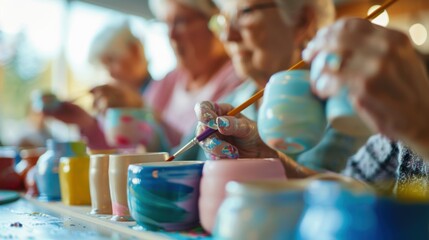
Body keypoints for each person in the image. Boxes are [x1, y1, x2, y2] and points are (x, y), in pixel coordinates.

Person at [193, 0, 368, 171]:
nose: (227, 36)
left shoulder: (348, 105)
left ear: (302, 21)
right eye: (223, 20)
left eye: (245, 12)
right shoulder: (230, 103)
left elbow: (330, 192)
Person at [146, 0, 242, 149]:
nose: (171, 35)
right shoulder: (167, 81)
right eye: (165, 24)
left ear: (212, 21)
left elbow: (206, 145)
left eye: (180, 22)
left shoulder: (237, 76)